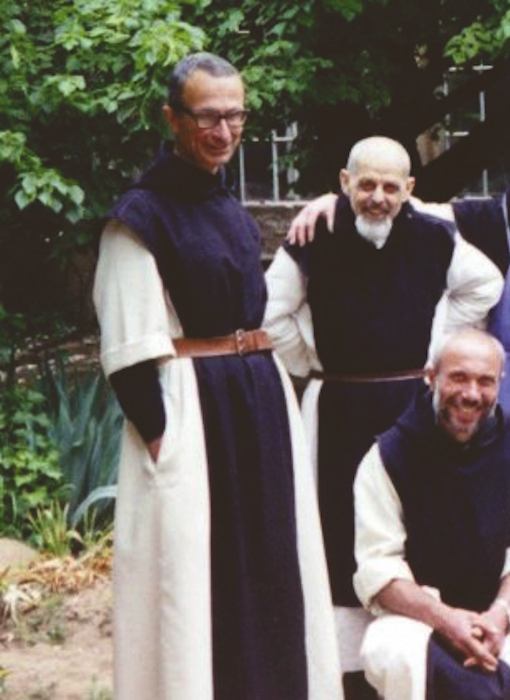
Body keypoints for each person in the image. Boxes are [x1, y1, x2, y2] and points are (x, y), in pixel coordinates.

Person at [286, 131, 510, 627]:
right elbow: (397, 203)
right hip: (494, 385)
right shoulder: (477, 220)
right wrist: (331, 201)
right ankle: (490, 623)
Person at [93, 53, 339, 699]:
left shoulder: (225, 206)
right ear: (173, 118)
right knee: (199, 581)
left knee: (265, 572)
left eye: (235, 116)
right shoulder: (140, 216)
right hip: (194, 420)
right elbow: (128, 345)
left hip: (255, 407)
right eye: (208, 117)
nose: (225, 132)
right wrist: (162, 439)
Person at [263, 136, 503, 691]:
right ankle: (345, 672)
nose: (377, 197)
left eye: (391, 187)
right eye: (365, 184)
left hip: (410, 406)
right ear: (344, 182)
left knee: (415, 524)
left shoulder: (433, 234)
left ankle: (419, 652)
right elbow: (270, 312)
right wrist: (314, 359)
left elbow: (484, 285)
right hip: (337, 404)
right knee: (338, 527)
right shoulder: (314, 235)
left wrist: (434, 349)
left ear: (409, 190)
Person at [352, 329, 510, 699]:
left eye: (485, 381)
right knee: (391, 647)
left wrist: (499, 614)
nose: (471, 394)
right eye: (459, 377)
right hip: (424, 619)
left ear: (500, 384)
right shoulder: (387, 457)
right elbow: (379, 566)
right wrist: (447, 620)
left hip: (502, 614)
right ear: (431, 377)